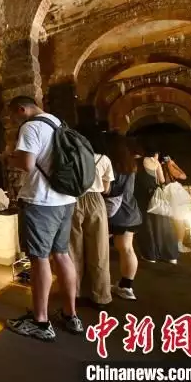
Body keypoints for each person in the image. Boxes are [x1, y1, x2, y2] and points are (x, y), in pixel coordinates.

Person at [2, 96, 82, 342]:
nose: (15, 121)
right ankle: (71, 315)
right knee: (62, 255)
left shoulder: (31, 126)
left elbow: (27, 164)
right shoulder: (58, 123)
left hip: (41, 203)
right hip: (65, 200)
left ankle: (41, 321)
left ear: (22, 109)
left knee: (39, 260)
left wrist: (7, 157)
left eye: (15, 116)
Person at [69, 132, 113, 308]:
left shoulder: (73, 157)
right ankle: (101, 296)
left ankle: (75, 292)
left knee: (73, 249)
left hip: (73, 200)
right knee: (100, 249)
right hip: (95, 201)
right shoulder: (104, 159)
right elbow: (106, 189)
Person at [105, 134, 142, 300]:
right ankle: (126, 287)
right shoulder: (130, 164)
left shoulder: (111, 164)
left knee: (101, 249)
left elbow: (107, 189)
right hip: (131, 211)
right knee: (127, 248)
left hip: (114, 213)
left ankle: (100, 284)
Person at [135, 146, 178, 264]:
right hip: (155, 196)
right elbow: (162, 180)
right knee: (163, 224)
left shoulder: (136, 162)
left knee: (147, 226)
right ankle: (170, 255)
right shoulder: (155, 162)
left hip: (142, 198)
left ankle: (150, 255)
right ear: (155, 154)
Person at [162, 155, 191, 253]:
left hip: (164, 192)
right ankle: (179, 245)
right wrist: (174, 165)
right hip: (174, 194)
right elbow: (184, 176)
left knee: (170, 221)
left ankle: (170, 244)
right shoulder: (169, 166)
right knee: (179, 221)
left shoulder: (159, 166)